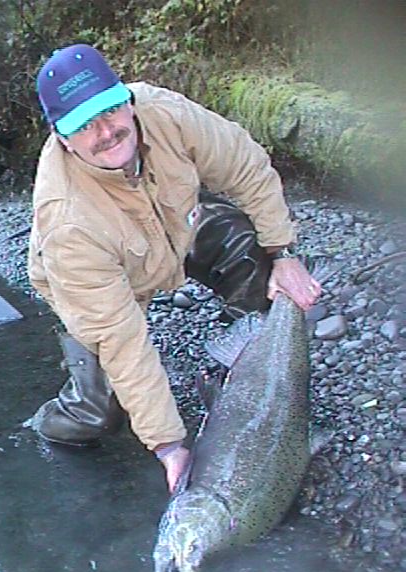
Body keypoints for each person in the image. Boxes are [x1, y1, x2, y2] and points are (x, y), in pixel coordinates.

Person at [28, 43, 321, 493]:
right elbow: (123, 342)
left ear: (126, 99)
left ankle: (238, 377)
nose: (105, 132)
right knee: (99, 413)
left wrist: (282, 254)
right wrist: (168, 445)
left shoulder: (164, 111)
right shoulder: (67, 224)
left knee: (248, 248)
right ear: (62, 138)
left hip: (176, 225)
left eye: (108, 110)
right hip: (97, 276)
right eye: (83, 126)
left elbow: (247, 167)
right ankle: (47, 422)